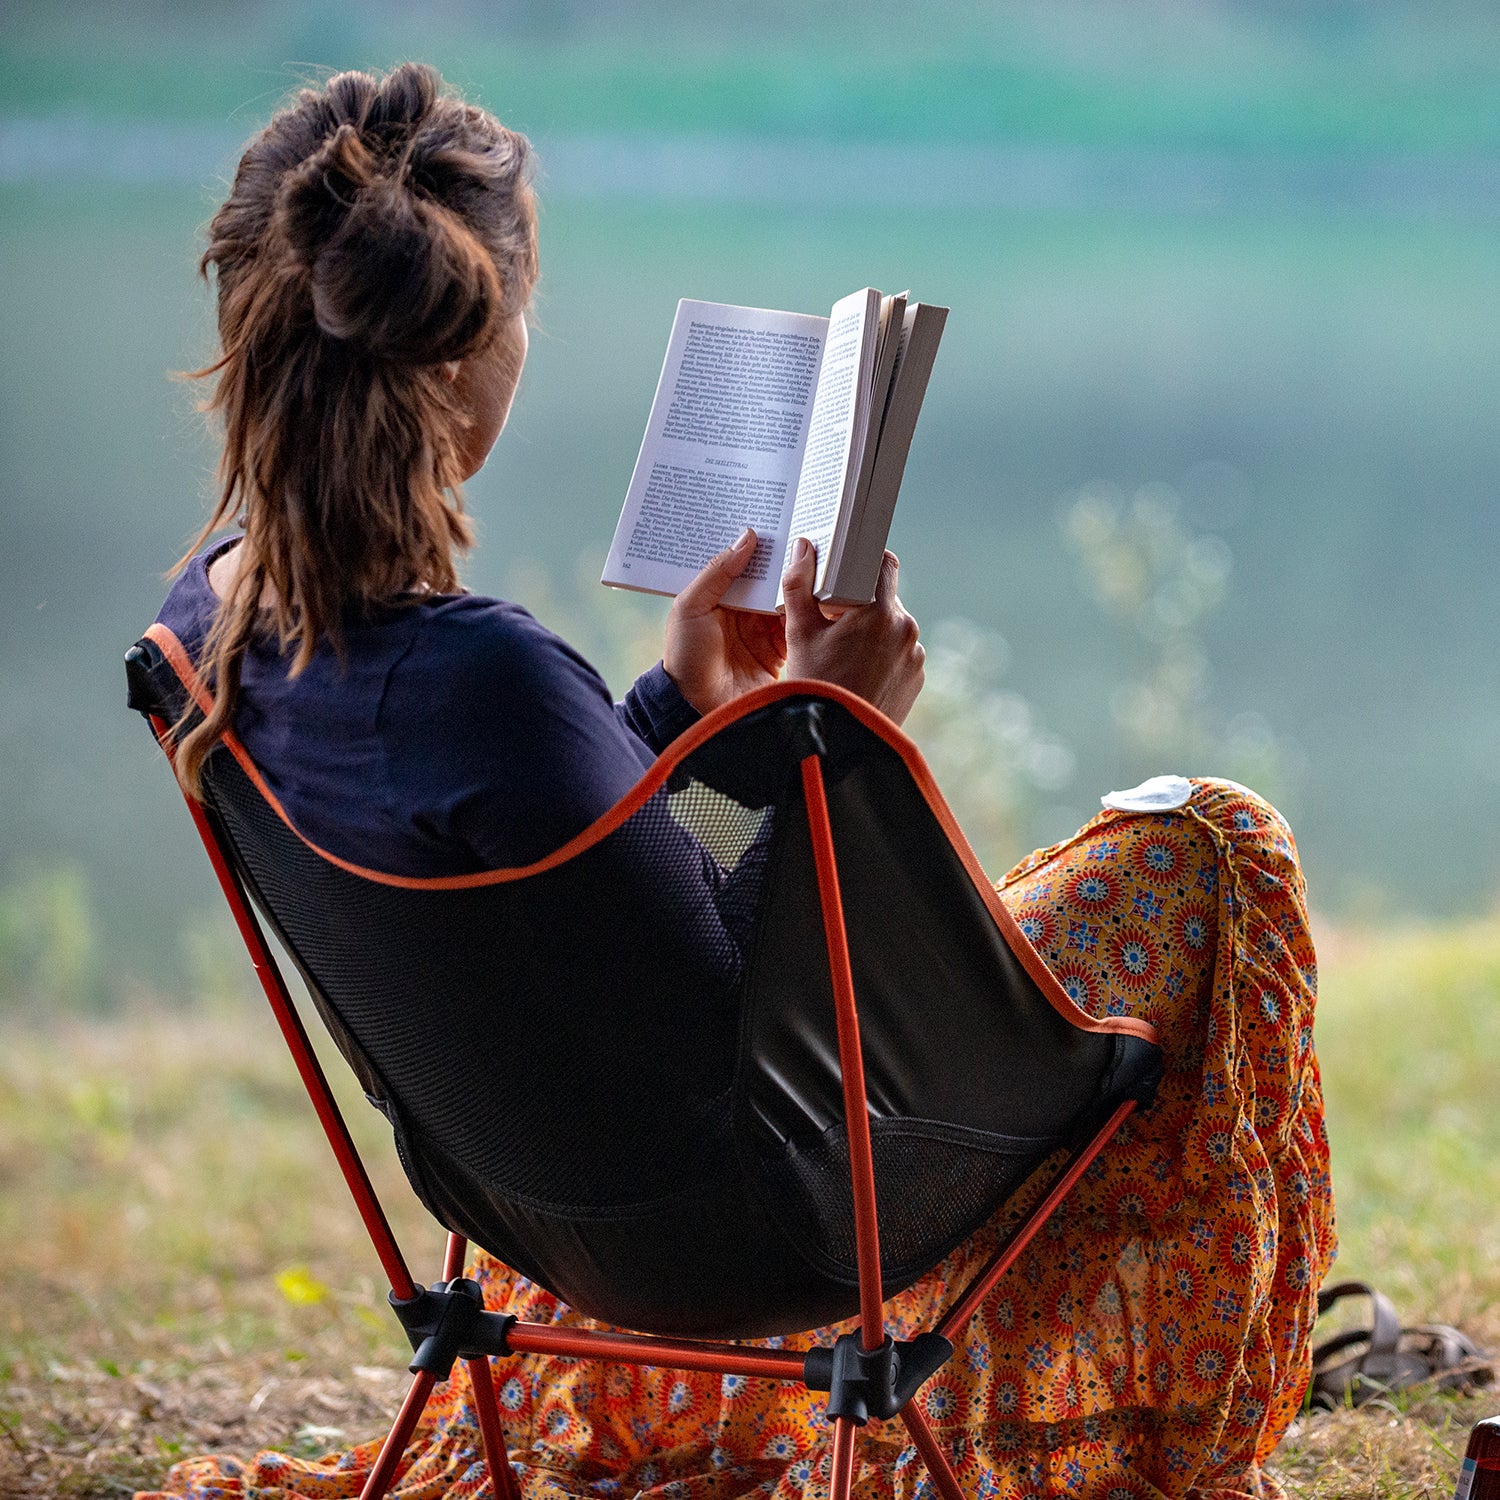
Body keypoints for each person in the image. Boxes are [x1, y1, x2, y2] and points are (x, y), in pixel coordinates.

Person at [138, 64, 1334, 1500]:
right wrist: (829, 736)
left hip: (521, 1207)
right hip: (773, 1227)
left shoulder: (210, 638)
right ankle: (1137, 1427)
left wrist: (687, 708)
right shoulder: (489, 680)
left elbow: (588, 900)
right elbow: (752, 994)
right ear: (475, 349)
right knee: (1208, 843)